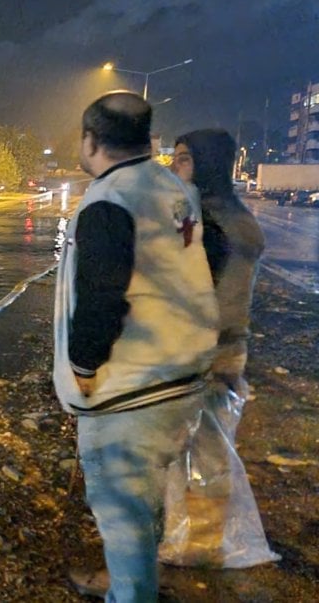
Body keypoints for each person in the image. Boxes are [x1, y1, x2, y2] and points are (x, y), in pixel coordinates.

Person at [54, 92, 219, 601]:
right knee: (143, 507)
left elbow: (102, 296)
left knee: (123, 518)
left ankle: (130, 591)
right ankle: (133, 585)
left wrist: (82, 368)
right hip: (182, 378)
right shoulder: (173, 187)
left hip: (131, 392)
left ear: (90, 140)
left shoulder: (109, 199)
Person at [159, 130, 276, 568]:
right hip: (224, 353)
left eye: (185, 159)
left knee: (191, 453)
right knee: (207, 453)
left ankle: (192, 548)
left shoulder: (206, 222)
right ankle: (198, 542)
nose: (175, 167)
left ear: (206, 165)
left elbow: (184, 293)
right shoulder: (235, 216)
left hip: (200, 356)